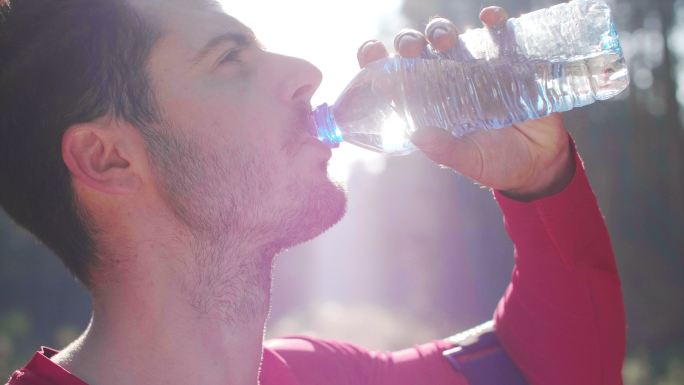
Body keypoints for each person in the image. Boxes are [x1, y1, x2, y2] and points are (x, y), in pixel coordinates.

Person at [0, 0, 625, 384]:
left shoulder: (318, 373)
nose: (307, 72)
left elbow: (546, 373)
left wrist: (539, 184)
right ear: (107, 158)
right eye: (228, 58)